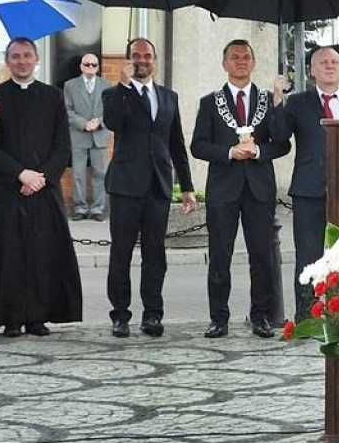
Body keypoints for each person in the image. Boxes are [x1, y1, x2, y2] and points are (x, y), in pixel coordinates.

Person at [0, 38, 82, 337]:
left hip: (44, 189)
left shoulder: (52, 96)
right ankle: (11, 318)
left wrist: (41, 177)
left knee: (43, 254)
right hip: (8, 190)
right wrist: (20, 174)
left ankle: (38, 316)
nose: (21, 61)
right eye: (15, 56)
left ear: (36, 59)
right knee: (9, 254)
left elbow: (62, 145)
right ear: (7, 61)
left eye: (27, 55)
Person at [191, 40, 291, 339]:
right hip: (223, 188)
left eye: (246, 57)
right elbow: (198, 146)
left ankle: (260, 315)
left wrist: (259, 151)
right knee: (220, 255)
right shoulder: (211, 102)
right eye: (234, 57)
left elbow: (282, 142)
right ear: (224, 64)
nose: (241, 61)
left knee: (261, 255)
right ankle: (218, 317)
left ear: (254, 62)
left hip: (258, 188)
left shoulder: (266, 99)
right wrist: (229, 152)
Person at [103, 38, 196, 338]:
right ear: (128, 59)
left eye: (147, 55)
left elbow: (176, 143)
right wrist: (125, 88)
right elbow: (113, 123)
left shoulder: (169, 97)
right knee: (121, 253)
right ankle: (120, 315)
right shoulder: (115, 94)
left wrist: (187, 186)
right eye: (135, 55)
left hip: (158, 185)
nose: (142, 60)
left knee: (155, 254)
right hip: (126, 186)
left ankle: (152, 314)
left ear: (155, 60)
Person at [272, 47, 339, 320]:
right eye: (323, 62)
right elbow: (279, 137)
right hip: (309, 190)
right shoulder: (298, 103)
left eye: (335, 62)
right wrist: (278, 99)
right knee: (309, 255)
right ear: (312, 70)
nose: (329, 66)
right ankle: (307, 315)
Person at [64, 53, 110, 221]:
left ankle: (98, 208)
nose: (90, 67)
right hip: (79, 134)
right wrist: (83, 123)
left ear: (98, 67)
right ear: (81, 66)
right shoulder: (70, 86)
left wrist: (99, 122)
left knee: (100, 173)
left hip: (99, 134)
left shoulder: (106, 85)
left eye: (94, 65)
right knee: (78, 173)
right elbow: (67, 110)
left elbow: (110, 111)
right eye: (87, 64)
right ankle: (80, 208)